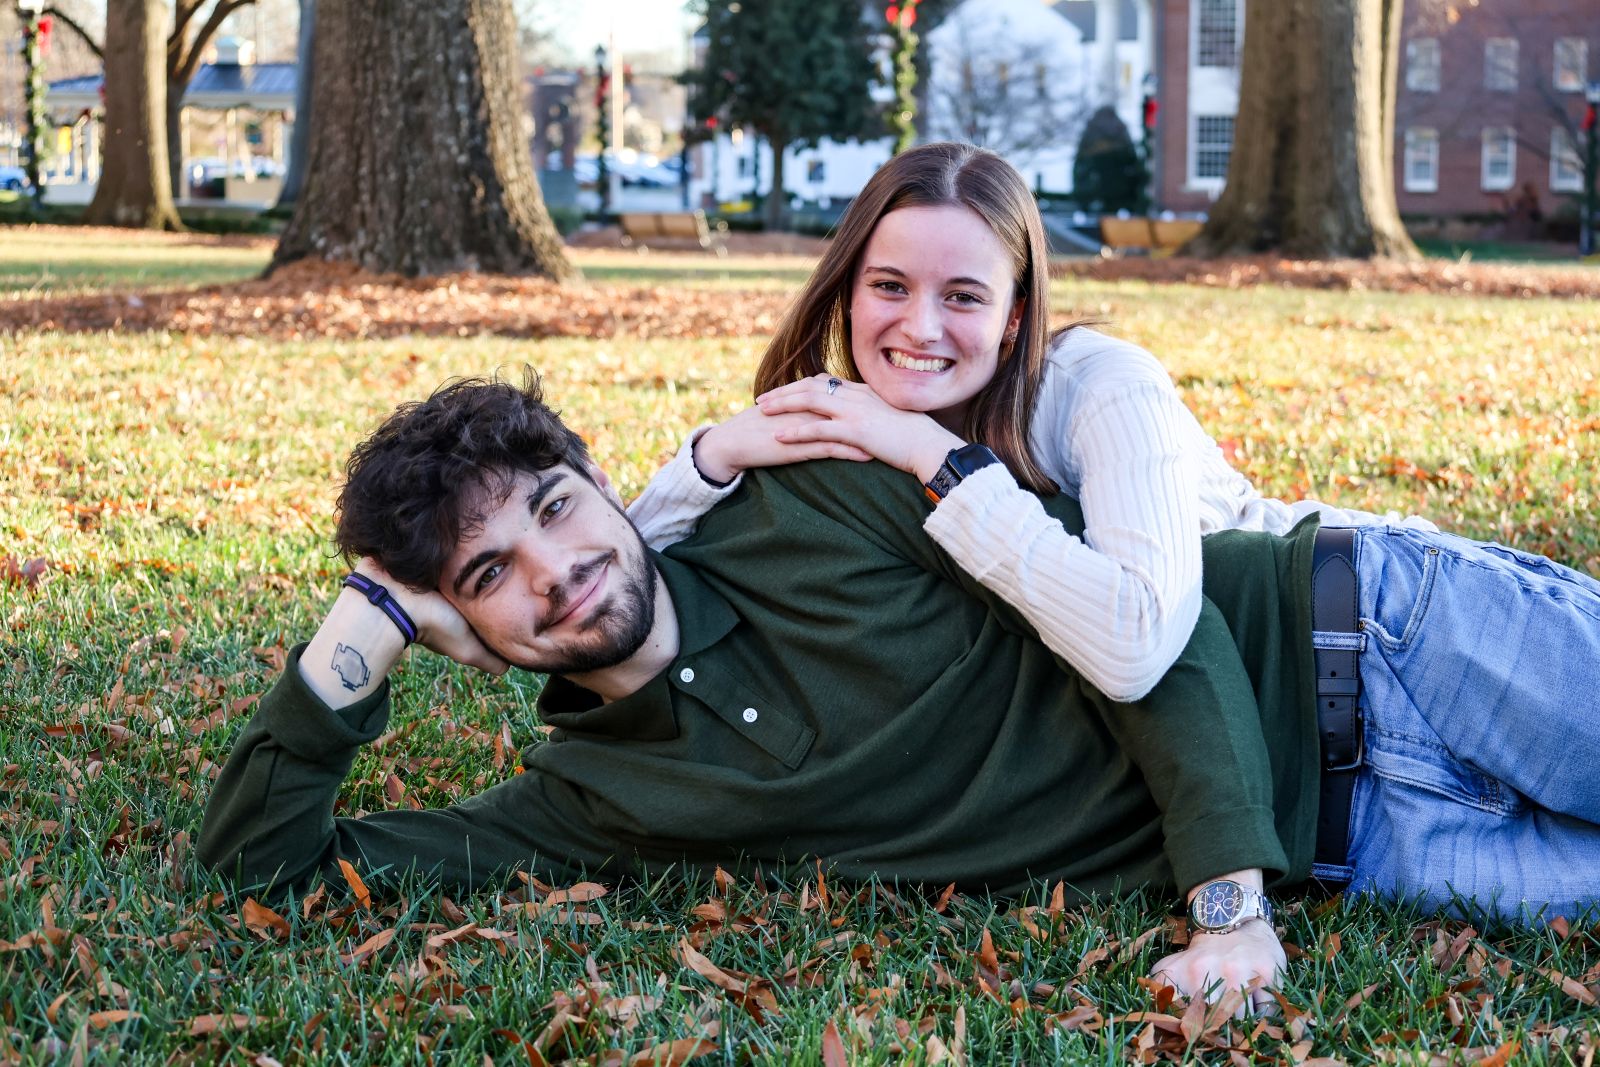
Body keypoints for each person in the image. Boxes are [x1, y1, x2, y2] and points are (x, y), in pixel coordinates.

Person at [200, 374, 1600, 1010]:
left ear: (603, 482)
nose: (555, 572)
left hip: (1373, 627)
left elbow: (1145, 625)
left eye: (556, 508)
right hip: (1365, 844)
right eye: (488, 573)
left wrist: (1229, 909)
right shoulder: (593, 802)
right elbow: (267, 870)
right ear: (464, 624)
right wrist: (362, 633)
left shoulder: (816, 500)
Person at [626, 141, 1433, 704]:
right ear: (848, 290)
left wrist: (936, 458)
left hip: (1393, 610)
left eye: (964, 296)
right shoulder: (847, 414)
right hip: (1321, 726)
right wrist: (713, 455)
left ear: (1015, 316)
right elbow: (614, 583)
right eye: (890, 286)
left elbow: (1136, 646)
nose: (920, 328)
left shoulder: (1099, 387)